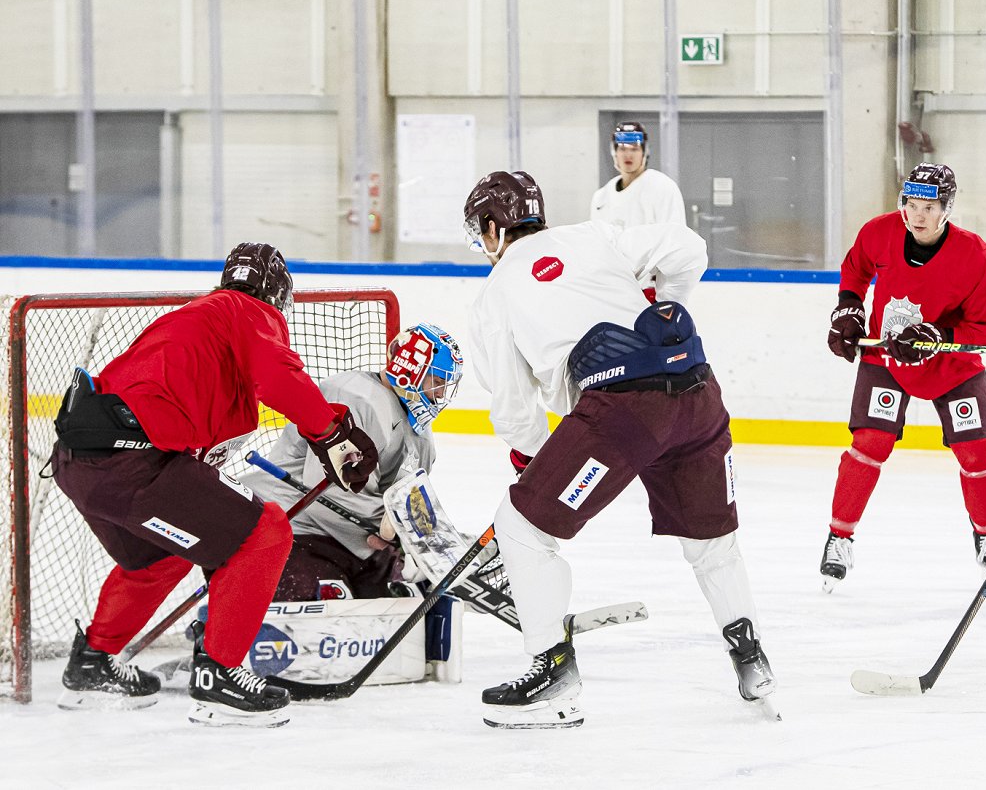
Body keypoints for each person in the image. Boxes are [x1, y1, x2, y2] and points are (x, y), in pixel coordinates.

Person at [463, 170, 775, 728]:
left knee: (521, 528)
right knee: (713, 544)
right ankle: (751, 659)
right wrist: (662, 307)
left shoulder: (495, 293)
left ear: (491, 228)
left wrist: (539, 459)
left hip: (623, 413)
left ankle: (552, 673)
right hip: (699, 392)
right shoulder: (595, 233)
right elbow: (689, 247)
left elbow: (513, 410)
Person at [50, 242, 379, 727]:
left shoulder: (198, 317)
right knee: (264, 533)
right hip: (134, 463)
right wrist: (332, 433)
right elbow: (277, 377)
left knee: (161, 554)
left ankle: (93, 663)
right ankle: (220, 675)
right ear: (277, 294)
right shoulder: (247, 311)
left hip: (78, 463)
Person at [822, 163, 986, 593]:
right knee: (870, 444)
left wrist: (938, 336)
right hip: (887, 358)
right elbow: (855, 271)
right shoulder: (879, 232)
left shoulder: (980, 260)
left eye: (929, 206)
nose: (917, 215)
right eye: (910, 204)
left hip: (951, 367)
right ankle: (839, 537)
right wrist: (849, 309)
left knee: (976, 452)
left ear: (946, 209)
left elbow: (985, 332)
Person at [241, 323, 461, 602]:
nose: (441, 394)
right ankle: (218, 626)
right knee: (327, 608)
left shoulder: (422, 439)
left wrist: (420, 540)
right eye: (437, 381)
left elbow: (406, 504)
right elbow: (330, 492)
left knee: (408, 602)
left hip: (347, 540)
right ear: (410, 369)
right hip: (288, 526)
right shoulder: (357, 399)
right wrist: (393, 526)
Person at [590, 121, 687, 230]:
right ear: (615, 153)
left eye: (634, 149)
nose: (628, 154)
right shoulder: (601, 197)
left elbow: (675, 237)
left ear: (644, 152)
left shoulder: (662, 187)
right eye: (622, 149)